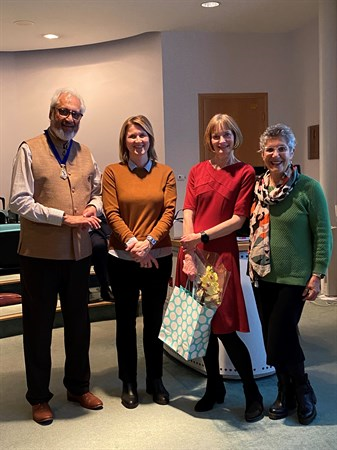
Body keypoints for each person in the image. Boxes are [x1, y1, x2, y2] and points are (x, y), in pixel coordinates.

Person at [9, 88, 104, 425]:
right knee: (38, 328)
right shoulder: (29, 149)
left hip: (78, 256)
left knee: (79, 325)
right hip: (39, 256)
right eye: (64, 112)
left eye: (76, 114)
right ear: (52, 113)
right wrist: (63, 218)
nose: (70, 119)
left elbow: (99, 193)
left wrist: (93, 207)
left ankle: (78, 387)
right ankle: (38, 397)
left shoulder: (85, 152)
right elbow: (18, 201)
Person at [176, 113, 264, 422]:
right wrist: (189, 247)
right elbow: (188, 208)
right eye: (215, 135)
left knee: (224, 329)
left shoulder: (245, 173)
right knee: (204, 329)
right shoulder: (197, 170)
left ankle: (253, 393)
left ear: (235, 137)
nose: (221, 140)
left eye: (226, 134)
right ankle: (214, 387)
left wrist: (202, 236)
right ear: (208, 139)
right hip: (194, 255)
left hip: (220, 259)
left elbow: (238, 220)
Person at [249, 123, 333, 425]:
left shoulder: (309, 188)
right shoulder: (257, 190)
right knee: (276, 340)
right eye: (270, 149)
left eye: (281, 148)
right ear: (262, 153)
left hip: (295, 277)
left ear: (292, 152)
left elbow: (323, 233)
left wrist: (317, 274)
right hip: (262, 275)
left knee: (278, 336)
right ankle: (285, 392)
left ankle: (303, 389)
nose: (275, 154)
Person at [102, 115, 176, 409]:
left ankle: (155, 380)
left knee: (155, 322)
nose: (138, 141)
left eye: (143, 135)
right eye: (132, 136)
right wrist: (135, 244)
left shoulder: (166, 173)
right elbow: (111, 211)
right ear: (124, 141)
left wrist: (149, 244)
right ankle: (129, 381)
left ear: (151, 139)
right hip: (122, 258)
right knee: (125, 322)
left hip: (158, 257)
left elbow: (169, 213)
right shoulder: (112, 172)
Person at [89, 214, 114, 302]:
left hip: (95, 227)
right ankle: (82, 289)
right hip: (70, 229)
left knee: (100, 246)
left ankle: (105, 287)